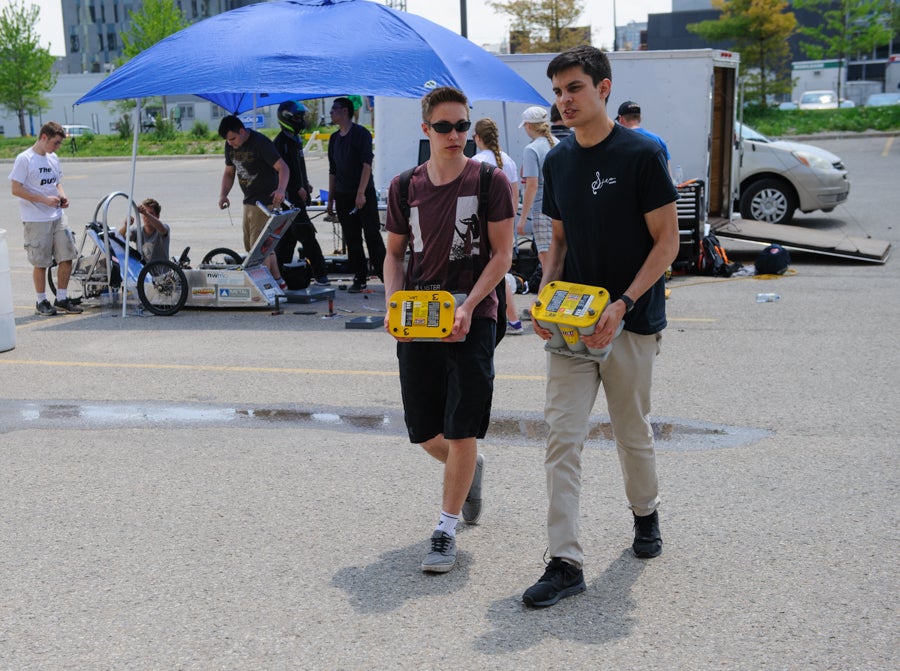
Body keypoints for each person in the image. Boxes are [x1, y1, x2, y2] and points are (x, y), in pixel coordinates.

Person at [521, 46, 680, 608]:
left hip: (631, 323)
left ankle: (645, 514)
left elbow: (668, 243)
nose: (564, 100)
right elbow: (558, 242)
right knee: (561, 436)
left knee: (630, 430)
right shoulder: (558, 162)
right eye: (558, 91)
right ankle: (565, 561)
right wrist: (545, 297)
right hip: (572, 326)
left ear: (603, 88)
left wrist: (624, 303)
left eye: (574, 88)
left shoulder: (641, 154)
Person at [383, 86, 514, 574]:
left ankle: (444, 530)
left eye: (462, 126)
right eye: (444, 127)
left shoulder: (489, 181)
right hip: (420, 315)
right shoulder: (404, 187)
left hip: (474, 314)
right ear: (426, 130)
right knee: (424, 432)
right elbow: (394, 254)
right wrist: (393, 303)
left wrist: (473, 305)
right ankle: (470, 468)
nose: (455, 135)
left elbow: (502, 254)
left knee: (462, 428)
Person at [8, 121, 83, 316]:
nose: (57, 147)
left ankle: (62, 298)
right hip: (36, 218)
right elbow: (16, 189)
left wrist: (62, 195)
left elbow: (57, 182)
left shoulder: (53, 158)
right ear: (43, 137)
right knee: (41, 261)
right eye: (55, 143)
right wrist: (43, 200)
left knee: (67, 255)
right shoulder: (25, 159)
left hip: (57, 215)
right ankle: (41, 301)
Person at [216, 115, 289, 290]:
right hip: (249, 202)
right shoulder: (230, 145)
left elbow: (283, 168)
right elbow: (229, 172)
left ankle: (265, 288)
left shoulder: (260, 142)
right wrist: (223, 194)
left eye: (233, 138)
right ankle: (279, 282)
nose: (231, 143)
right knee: (259, 246)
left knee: (258, 250)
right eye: (228, 140)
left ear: (242, 131)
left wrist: (280, 190)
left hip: (265, 202)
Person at [327, 97, 385, 293]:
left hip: (362, 193)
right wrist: (330, 202)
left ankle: (387, 276)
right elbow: (332, 171)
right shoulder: (334, 139)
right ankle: (359, 277)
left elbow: (366, 164)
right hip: (343, 195)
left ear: (345, 111)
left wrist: (361, 193)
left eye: (334, 109)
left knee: (372, 235)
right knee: (352, 239)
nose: (331, 113)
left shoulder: (361, 134)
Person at [471, 117, 523, 335]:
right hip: (504, 225)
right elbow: (514, 196)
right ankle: (511, 318)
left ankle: (511, 318)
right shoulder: (507, 160)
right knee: (498, 271)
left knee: (492, 274)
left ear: (477, 138)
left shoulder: (475, 161)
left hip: (482, 225)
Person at [272, 101, 330, 285]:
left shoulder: (295, 140)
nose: (301, 121)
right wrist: (297, 187)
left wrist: (306, 183)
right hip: (290, 200)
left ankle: (281, 275)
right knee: (307, 237)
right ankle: (321, 274)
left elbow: (298, 168)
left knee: (287, 239)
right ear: (287, 118)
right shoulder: (281, 143)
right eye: (297, 118)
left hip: (299, 196)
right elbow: (282, 171)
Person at [516, 106, 557, 302]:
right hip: (560, 208)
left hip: (541, 209)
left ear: (529, 126)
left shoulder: (531, 149)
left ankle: (545, 306)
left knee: (547, 261)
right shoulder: (557, 144)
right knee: (556, 261)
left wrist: (523, 219)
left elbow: (531, 186)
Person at [616, 100, 673, 178]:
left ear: (620, 119)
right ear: (640, 118)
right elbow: (668, 174)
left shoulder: (617, 142)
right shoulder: (658, 140)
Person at [118, 197, 170, 264]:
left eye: (151, 213)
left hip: (162, 273)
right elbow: (119, 238)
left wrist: (146, 213)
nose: (146, 217)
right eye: (144, 214)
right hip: (143, 273)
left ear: (157, 216)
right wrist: (126, 226)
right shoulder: (137, 231)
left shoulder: (163, 228)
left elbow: (163, 230)